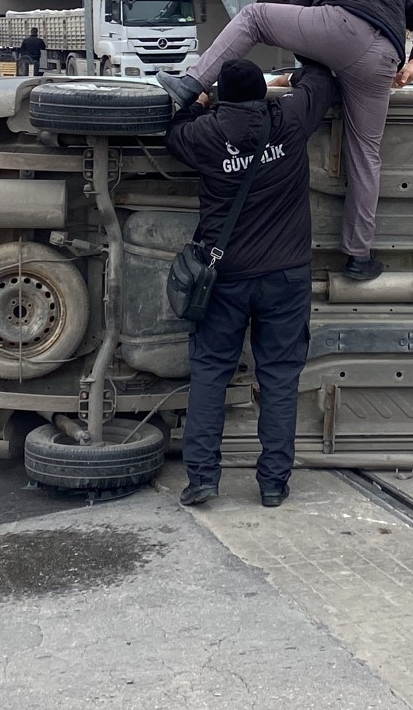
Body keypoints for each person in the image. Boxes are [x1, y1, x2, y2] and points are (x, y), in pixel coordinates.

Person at [157, 0, 413, 282]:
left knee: (255, 17)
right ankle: (359, 256)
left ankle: (191, 84)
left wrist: (308, 75)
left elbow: (296, 15)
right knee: (366, 153)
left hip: (342, 28)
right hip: (384, 56)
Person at [163, 58, 338, 508]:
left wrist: (197, 102)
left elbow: (175, 130)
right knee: (279, 378)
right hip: (286, 274)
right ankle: (273, 483)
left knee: (210, 375)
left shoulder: (206, 133)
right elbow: (321, 80)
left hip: (225, 277)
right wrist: (289, 78)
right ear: (262, 95)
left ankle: (202, 477)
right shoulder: (289, 118)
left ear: (221, 97)